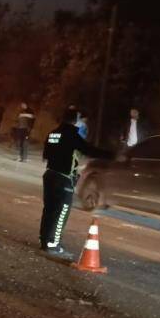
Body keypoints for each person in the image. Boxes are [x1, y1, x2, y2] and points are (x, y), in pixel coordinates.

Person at [40, 107, 112, 259]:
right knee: (61, 213)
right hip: (64, 178)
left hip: (50, 175)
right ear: (75, 120)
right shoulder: (72, 135)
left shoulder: (53, 133)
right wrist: (111, 155)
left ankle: (45, 241)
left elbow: (46, 154)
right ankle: (53, 245)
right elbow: (89, 150)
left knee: (49, 210)